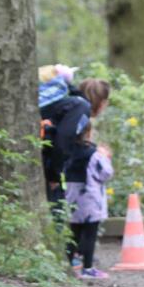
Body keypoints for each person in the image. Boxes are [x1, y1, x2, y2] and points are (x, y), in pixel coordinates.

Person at [38, 65, 92, 220]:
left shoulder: (50, 106)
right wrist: (54, 174)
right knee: (56, 217)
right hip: (49, 170)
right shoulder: (79, 107)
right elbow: (64, 140)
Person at [63, 122, 114, 279]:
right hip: (90, 198)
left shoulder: (68, 152)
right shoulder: (94, 154)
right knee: (90, 234)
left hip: (73, 198)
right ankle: (88, 268)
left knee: (74, 233)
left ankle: (69, 264)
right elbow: (106, 173)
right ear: (89, 133)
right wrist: (104, 156)